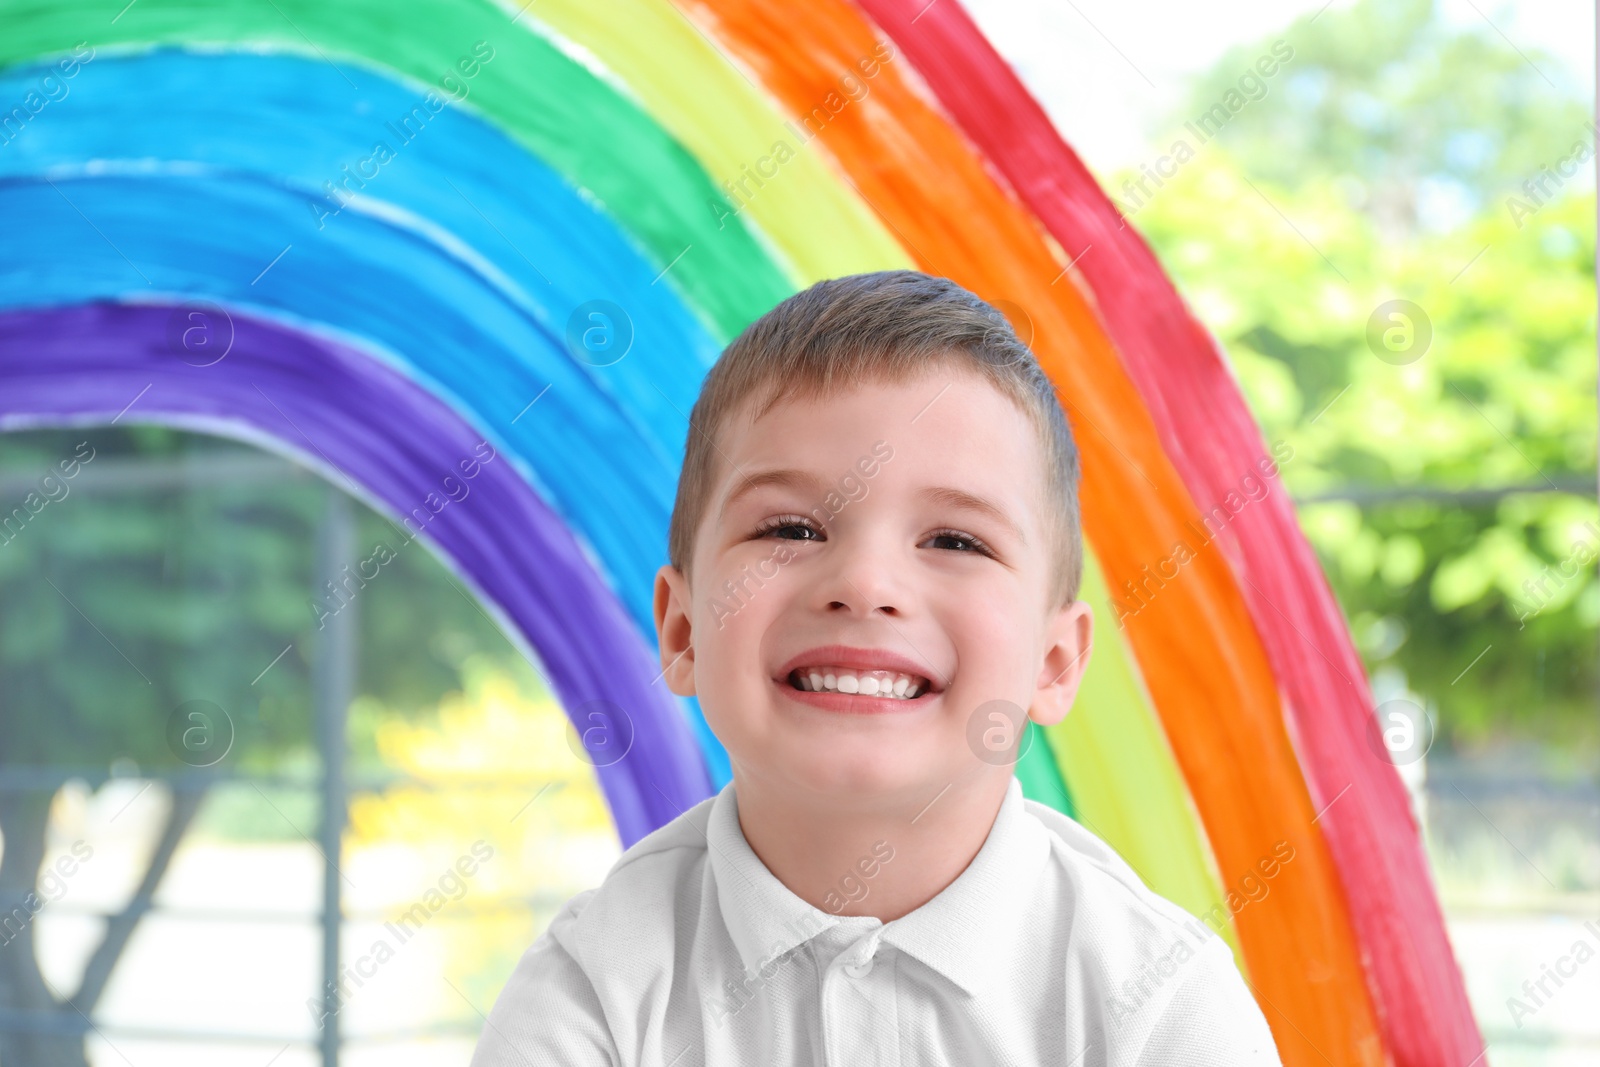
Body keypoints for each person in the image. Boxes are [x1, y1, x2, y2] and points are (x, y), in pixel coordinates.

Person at [471, 270, 1282, 1065]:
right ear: (683, 630)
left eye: (956, 540)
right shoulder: (593, 990)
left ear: (1055, 661)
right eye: (789, 528)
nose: (863, 584)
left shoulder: (1162, 1004)